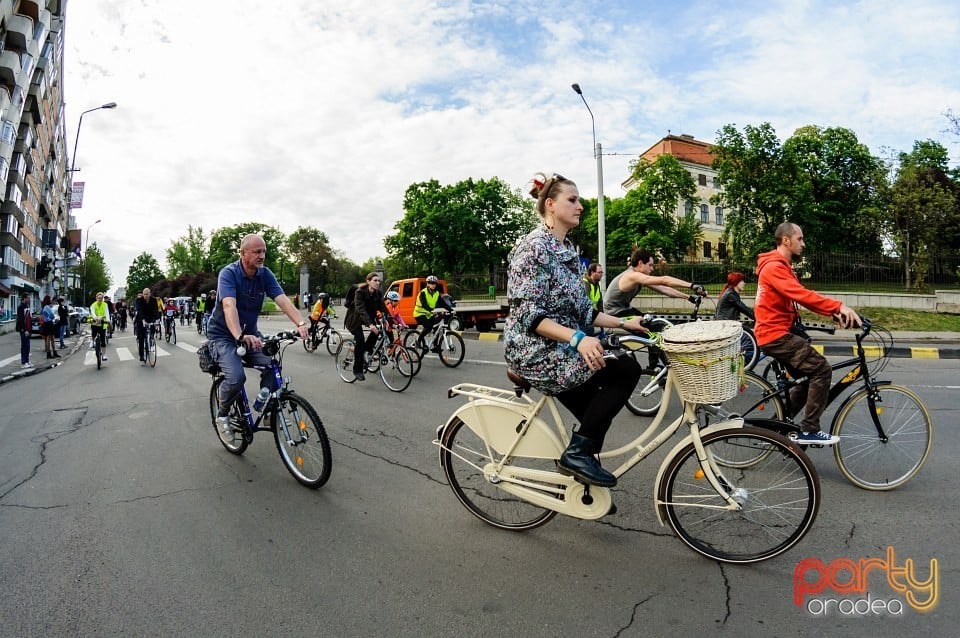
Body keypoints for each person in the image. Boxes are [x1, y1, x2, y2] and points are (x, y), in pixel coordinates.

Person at [504, 172, 648, 488]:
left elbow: (585, 312)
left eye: (579, 200)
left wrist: (627, 323)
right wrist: (578, 338)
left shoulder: (567, 250)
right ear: (551, 205)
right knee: (623, 368)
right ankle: (577, 456)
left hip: (561, 345)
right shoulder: (533, 248)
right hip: (534, 349)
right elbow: (531, 317)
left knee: (596, 416)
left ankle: (580, 474)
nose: (580, 206)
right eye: (573, 200)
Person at [755, 222, 861, 445]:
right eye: (800, 239)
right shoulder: (774, 267)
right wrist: (838, 306)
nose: (803, 243)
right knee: (822, 369)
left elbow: (800, 297)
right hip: (775, 335)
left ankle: (777, 428)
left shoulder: (781, 266)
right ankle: (809, 429)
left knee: (805, 380)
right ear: (786, 240)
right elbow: (801, 294)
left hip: (777, 332)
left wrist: (833, 314)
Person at [207, 235, 308, 440]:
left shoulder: (265, 274)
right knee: (236, 377)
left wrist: (300, 323)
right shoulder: (228, 274)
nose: (262, 256)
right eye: (256, 252)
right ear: (243, 253)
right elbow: (229, 306)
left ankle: (267, 409)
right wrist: (239, 335)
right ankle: (223, 414)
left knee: (273, 365)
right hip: (223, 336)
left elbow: (283, 301)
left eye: (264, 251)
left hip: (250, 335)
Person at [603, 248, 705, 317]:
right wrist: (692, 286)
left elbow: (664, 289)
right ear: (640, 263)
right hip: (614, 312)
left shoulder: (639, 276)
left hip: (624, 309)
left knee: (654, 325)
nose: (652, 269)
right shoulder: (632, 275)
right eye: (650, 265)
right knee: (651, 331)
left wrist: (690, 298)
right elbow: (665, 280)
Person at [344, 272, 390, 381]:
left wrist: (388, 320)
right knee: (360, 341)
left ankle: (367, 350)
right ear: (368, 281)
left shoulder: (378, 294)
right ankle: (357, 370)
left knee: (378, 331)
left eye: (379, 281)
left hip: (367, 318)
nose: (378, 283)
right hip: (354, 320)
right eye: (375, 280)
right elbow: (361, 310)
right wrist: (370, 325)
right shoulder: (359, 292)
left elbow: (383, 308)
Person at [413, 275, 453, 351]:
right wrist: (432, 310)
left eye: (434, 283)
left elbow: (442, 303)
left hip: (429, 314)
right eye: (431, 283)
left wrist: (451, 310)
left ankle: (435, 346)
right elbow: (424, 304)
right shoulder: (423, 293)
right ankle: (418, 341)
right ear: (427, 284)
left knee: (437, 325)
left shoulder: (436, 293)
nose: (433, 285)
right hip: (419, 314)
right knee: (428, 327)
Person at [133, 288, 162, 363]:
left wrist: (157, 320)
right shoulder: (139, 300)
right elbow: (140, 310)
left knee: (152, 332)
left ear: (150, 294)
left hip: (150, 318)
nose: (145, 296)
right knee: (141, 338)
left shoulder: (153, 300)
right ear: (142, 294)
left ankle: (150, 341)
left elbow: (156, 310)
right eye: (144, 294)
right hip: (141, 319)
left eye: (147, 294)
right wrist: (143, 320)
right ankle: (142, 355)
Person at [89, 292, 111, 361]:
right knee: (94, 332)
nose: (100, 299)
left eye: (101, 298)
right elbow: (92, 312)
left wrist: (108, 320)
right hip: (95, 320)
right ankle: (92, 341)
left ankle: (104, 355)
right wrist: (95, 318)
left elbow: (107, 312)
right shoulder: (93, 305)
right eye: (99, 298)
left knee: (103, 339)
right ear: (96, 298)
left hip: (103, 321)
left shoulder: (105, 304)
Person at [15, 292, 32, 368]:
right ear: (24, 298)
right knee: (24, 345)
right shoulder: (21, 307)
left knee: (28, 346)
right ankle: (23, 362)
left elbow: (29, 318)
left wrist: (30, 329)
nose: (29, 299)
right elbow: (21, 319)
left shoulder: (27, 306)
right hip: (24, 329)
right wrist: (24, 330)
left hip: (28, 329)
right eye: (28, 298)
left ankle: (27, 361)